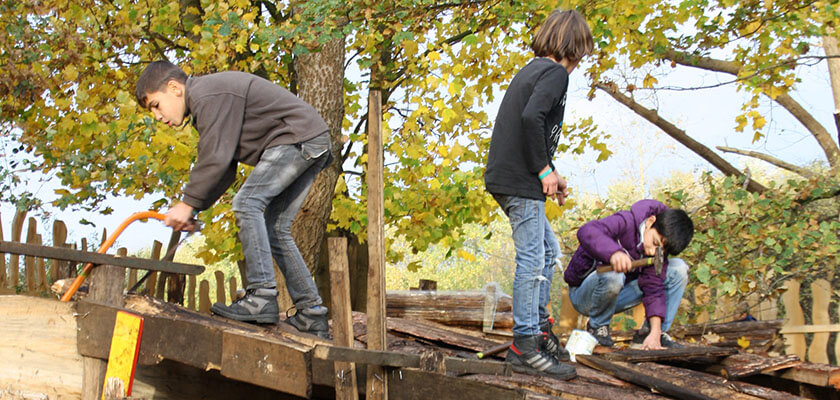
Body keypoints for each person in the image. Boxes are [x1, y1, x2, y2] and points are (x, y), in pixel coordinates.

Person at [135, 61, 332, 338]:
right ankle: (312, 313)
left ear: (174, 88)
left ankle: (261, 295)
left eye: (156, 105)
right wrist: (194, 208)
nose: (157, 115)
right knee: (274, 227)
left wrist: (186, 203)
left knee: (247, 202)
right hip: (310, 139)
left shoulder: (206, 95)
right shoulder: (207, 103)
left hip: (296, 138)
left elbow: (215, 158)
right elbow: (225, 169)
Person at [484, 9, 593, 379]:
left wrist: (552, 172)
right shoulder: (555, 73)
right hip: (519, 180)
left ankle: (540, 325)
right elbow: (532, 118)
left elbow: (531, 129)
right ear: (573, 48)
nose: (579, 64)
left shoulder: (532, 69)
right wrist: (543, 170)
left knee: (548, 251)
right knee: (532, 259)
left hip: (509, 174)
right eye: (581, 54)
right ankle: (525, 344)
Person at [564, 199, 694, 349]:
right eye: (655, 242)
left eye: (662, 250)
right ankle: (597, 328)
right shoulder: (625, 221)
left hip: (617, 297)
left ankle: (650, 334)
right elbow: (587, 231)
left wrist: (656, 331)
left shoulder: (657, 254)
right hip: (585, 296)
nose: (653, 252)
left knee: (678, 269)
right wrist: (613, 253)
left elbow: (654, 290)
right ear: (651, 222)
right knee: (614, 273)